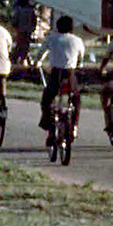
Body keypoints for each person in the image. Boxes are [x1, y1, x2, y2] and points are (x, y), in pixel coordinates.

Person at [38, 15, 86, 145]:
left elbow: (40, 54)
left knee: (47, 99)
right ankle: (74, 125)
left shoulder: (51, 38)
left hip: (55, 73)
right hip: (70, 74)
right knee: (76, 99)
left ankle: (47, 122)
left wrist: (37, 62)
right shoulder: (77, 40)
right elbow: (80, 59)